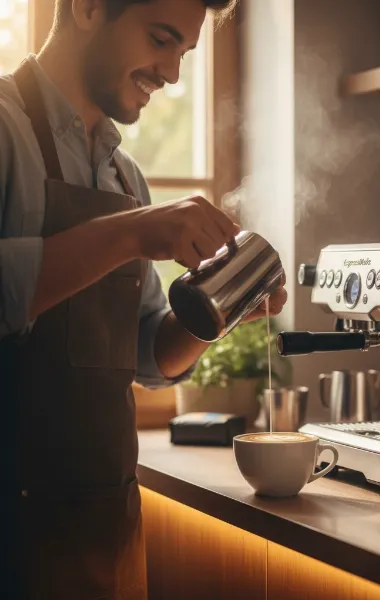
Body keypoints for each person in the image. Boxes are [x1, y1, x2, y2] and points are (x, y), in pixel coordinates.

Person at [0, 1, 287, 598]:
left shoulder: (126, 177)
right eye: (161, 40)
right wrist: (132, 232)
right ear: (85, 8)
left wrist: (220, 311)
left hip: (108, 535)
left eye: (182, 53)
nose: (173, 75)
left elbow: (147, 356)